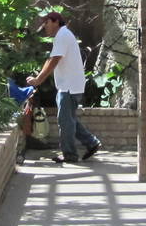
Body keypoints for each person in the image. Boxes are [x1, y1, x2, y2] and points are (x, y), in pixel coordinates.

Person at [26, 10, 101, 164]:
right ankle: (91, 143)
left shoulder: (63, 35)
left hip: (69, 87)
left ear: (55, 21)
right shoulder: (62, 36)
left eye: (46, 22)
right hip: (70, 85)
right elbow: (51, 59)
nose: (44, 26)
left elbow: (54, 60)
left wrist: (38, 80)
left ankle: (70, 155)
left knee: (65, 121)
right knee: (69, 119)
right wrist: (38, 78)